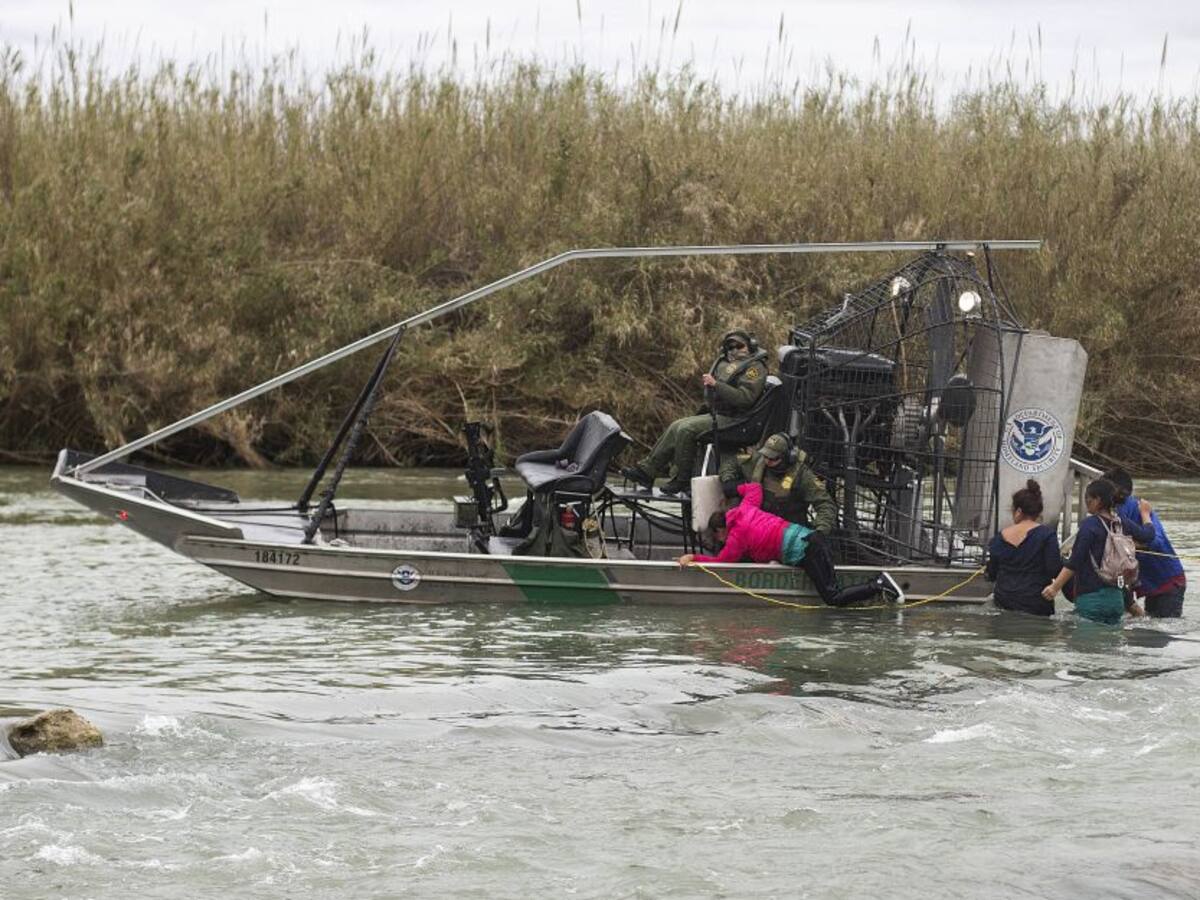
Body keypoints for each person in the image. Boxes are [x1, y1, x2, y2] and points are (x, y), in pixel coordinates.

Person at [677, 482, 903, 607]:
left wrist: (692, 558)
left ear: (721, 530)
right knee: (833, 588)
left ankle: (878, 584)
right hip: (810, 537)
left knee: (833, 598)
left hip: (806, 550)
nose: (718, 542)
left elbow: (721, 562)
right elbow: (754, 488)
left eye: (717, 538)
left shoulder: (736, 538)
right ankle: (877, 587)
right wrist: (729, 490)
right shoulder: (746, 508)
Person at [622, 330, 769, 495]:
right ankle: (647, 471)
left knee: (687, 429)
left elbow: (745, 398)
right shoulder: (727, 362)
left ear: (750, 346)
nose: (735, 350)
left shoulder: (754, 368)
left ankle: (682, 480)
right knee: (677, 425)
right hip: (721, 414)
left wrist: (716, 385)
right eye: (730, 347)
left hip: (739, 421)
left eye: (739, 346)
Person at [1042, 479, 1155, 624]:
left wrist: (1054, 587)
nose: (1086, 502)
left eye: (1087, 499)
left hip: (1091, 600)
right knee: (1111, 644)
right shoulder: (1121, 522)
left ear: (1097, 500)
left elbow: (1074, 562)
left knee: (1086, 646)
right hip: (1116, 602)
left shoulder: (1090, 525)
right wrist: (1145, 514)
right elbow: (1148, 535)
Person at [1104, 467, 1186, 618]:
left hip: (1167, 581)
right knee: (1150, 630)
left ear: (1119, 492)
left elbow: (1156, 542)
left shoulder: (1138, 508)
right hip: (1150, 585)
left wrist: (1126, 544)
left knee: (1160, 630)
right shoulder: (1113, 510)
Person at [718, 432, 837, 534]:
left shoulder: (803, 475)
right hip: (757, 529)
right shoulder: (757, 460)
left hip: (788, 532)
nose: (768, 461)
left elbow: (825, 504)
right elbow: (731, 463)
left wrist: (820, 531)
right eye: (766, 456)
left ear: (787, 457)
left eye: (773, 458)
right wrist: (729, 480)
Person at [985, 479, 1062, 617]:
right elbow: (1054, 569)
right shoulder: (1047, 535)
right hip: (1036, 602)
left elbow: (991, 573)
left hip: (1004, 601)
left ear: (1018, 511)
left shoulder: (999, 537)